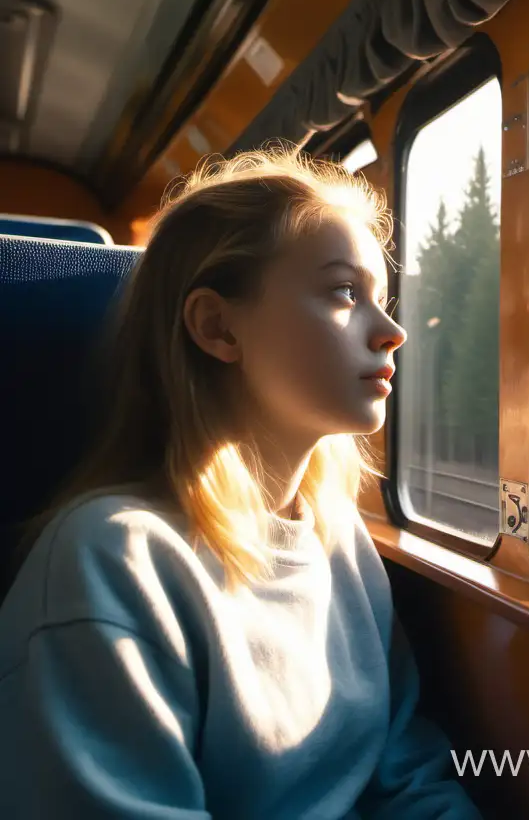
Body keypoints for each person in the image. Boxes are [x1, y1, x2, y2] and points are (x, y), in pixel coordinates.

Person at [0, 148, 483, 819]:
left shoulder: (337, 537)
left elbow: (403, 771)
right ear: (217, 326)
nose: (392, 332)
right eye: (346, 293)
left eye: (384, 298)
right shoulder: (112, 562)